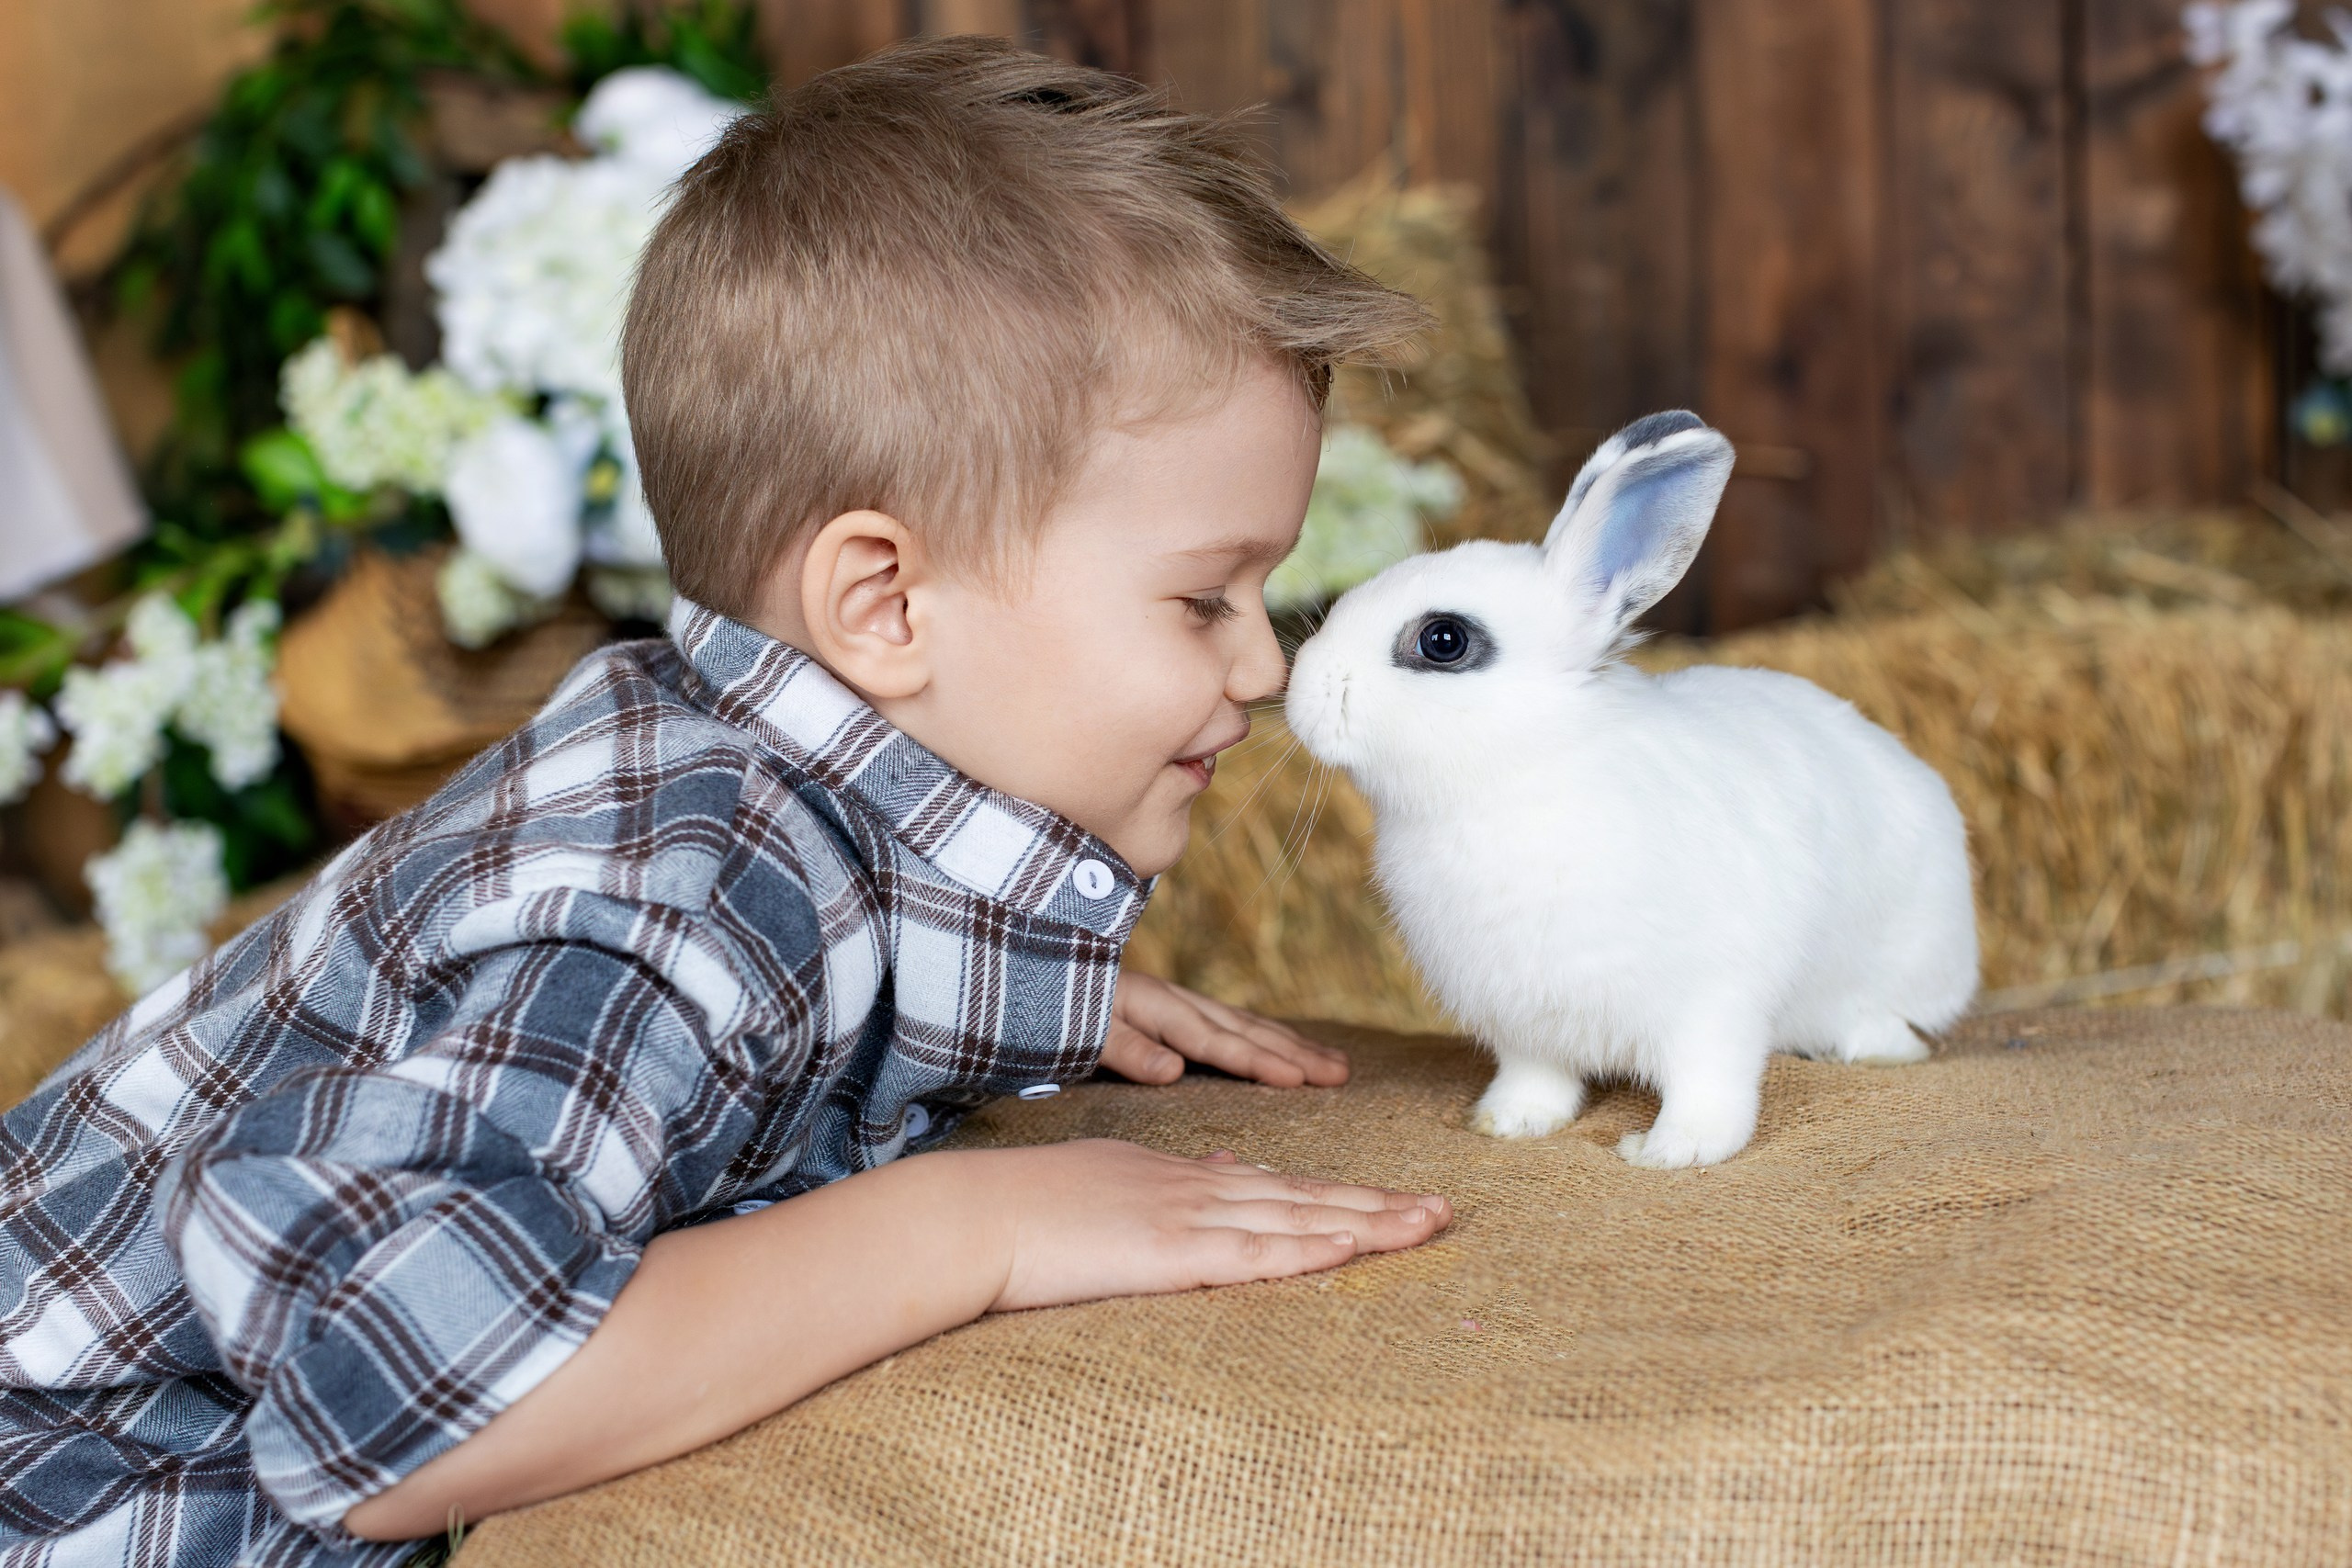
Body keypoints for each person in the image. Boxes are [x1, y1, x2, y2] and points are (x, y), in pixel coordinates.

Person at [0, 36, 1453, 1566]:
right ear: (885, 604)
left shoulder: (752, 828)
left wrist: (950, 999)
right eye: (1206, 598)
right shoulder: (683, 891)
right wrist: (980, 1229)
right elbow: (411, 1408)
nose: (1264, 668)